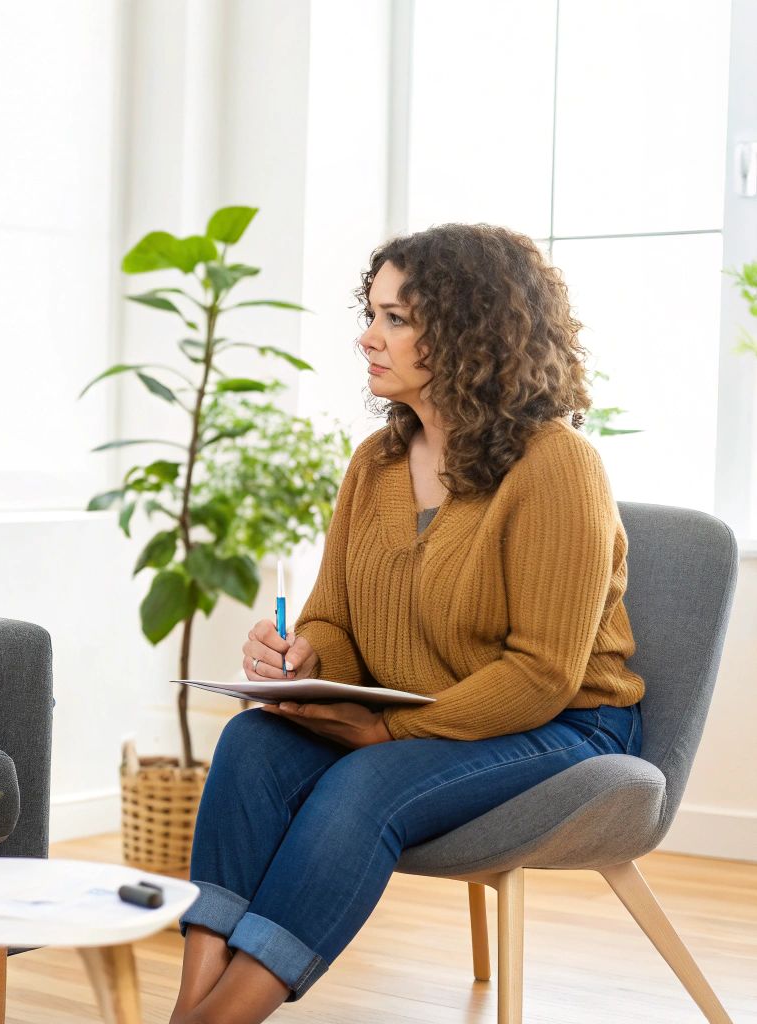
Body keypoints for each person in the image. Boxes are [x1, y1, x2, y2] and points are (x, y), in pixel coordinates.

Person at [167, 223, 644, 1024]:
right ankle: (189, 1007)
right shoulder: (377, 462)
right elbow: (337, 618)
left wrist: (382, 735)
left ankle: (219, 1022)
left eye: (395, 318)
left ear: (468, 332)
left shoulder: (558, 465)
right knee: (251, 741)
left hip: (567, 727)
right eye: (372, 313)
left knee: (365, 784)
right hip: (416, 718)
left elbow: (541, 676)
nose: (367, 337)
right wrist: (305, 653)